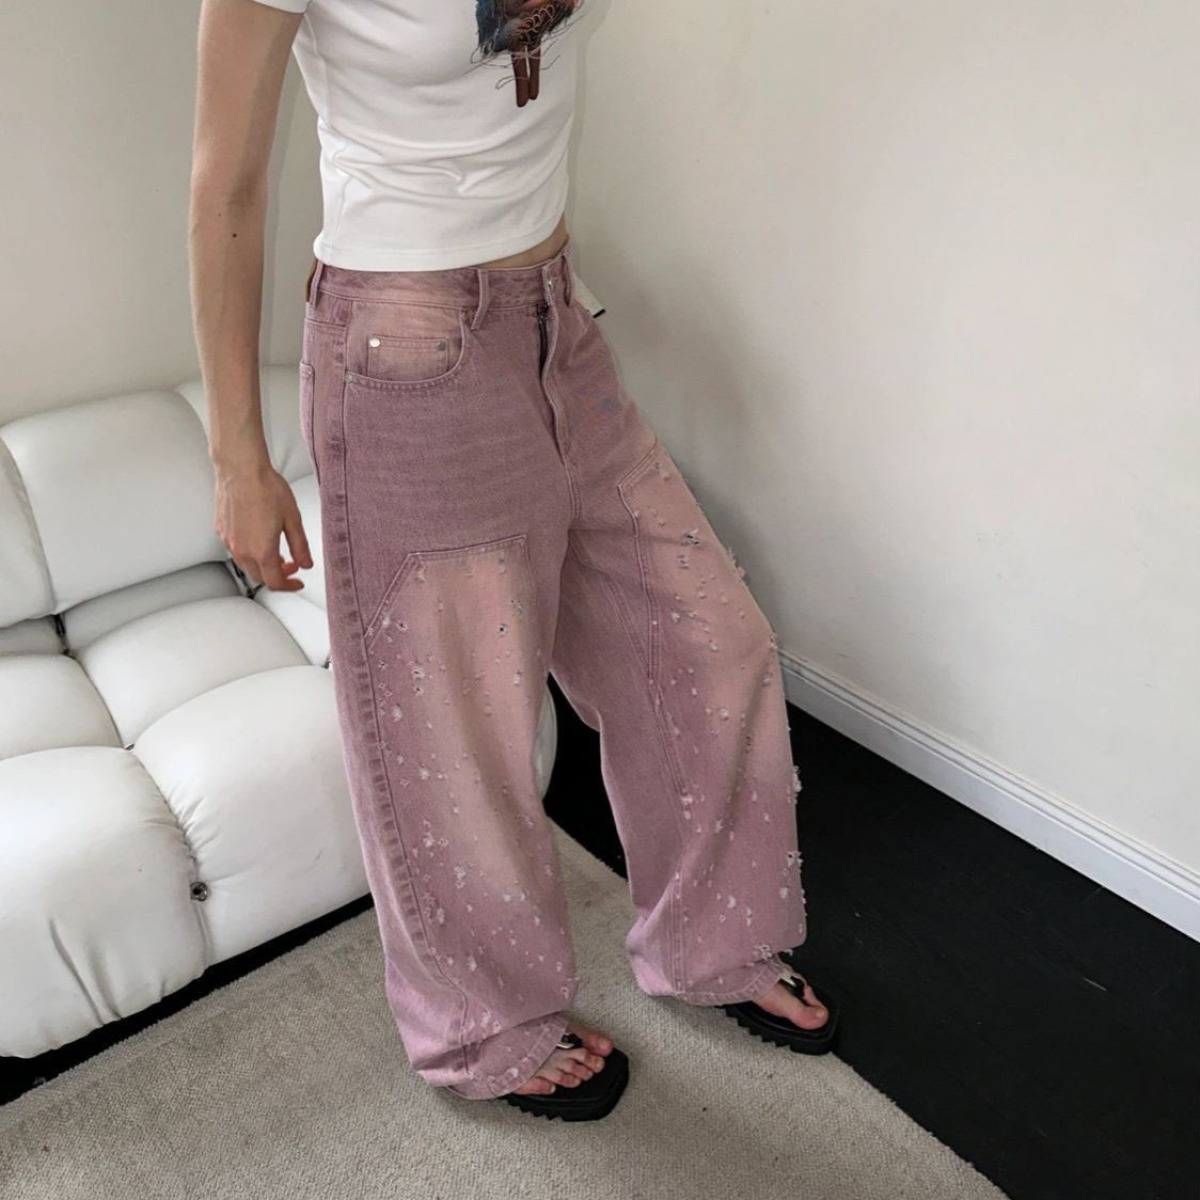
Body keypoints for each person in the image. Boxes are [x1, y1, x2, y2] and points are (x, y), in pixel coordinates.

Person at [189, 0, 836, 1121]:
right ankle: (482, 1026)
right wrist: (238, 459)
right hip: (406, 344)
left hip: (553, 314)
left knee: (706, 640)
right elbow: (225, 188)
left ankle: (711, 940)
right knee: (453, 725)